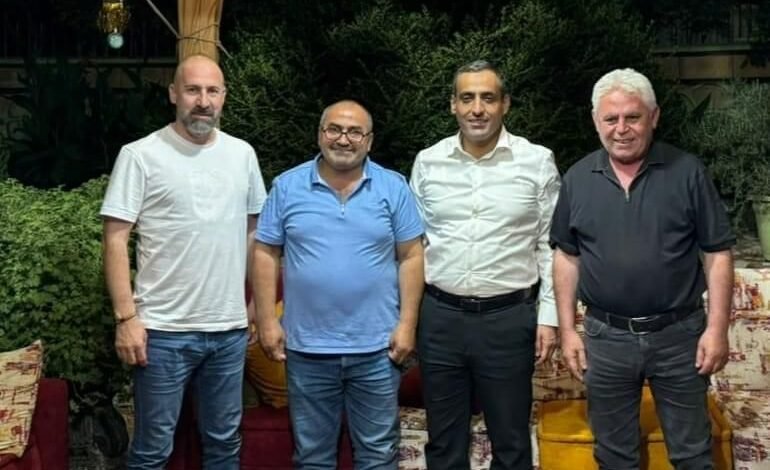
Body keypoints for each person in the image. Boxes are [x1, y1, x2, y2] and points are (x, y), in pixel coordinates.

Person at [550, 68, 735, 469]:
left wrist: (717, 328)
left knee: (693, 456)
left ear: (654, 117)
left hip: (680, 337)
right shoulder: (578, 178)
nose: (621, 129)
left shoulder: (688, 172)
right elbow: (566, 257)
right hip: (606, 339)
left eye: (632, 117)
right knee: (614, 457)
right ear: (596, 121)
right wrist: (567, 330)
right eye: (610, 119)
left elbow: (717, 253)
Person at [101, 54, 267, 469]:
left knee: (224, 444)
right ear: (174, 94)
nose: (203, 101)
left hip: (228, 331)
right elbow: (115, 239)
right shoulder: (140, 155)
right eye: (193, 90)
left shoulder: (242, 154)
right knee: (153, 449)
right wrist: (126, 318)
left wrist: (256, 307)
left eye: (212, 91)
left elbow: (254, 233)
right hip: (162, 331)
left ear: (224, 96)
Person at [251, 100, 424, 469]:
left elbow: (411, 256)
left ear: (369, 141)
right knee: (313, 457)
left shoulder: (393, 187)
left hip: (378, 349)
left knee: (377, 456)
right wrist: (266, 321)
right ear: (320, 134)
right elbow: (265, 252)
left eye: (355, 132)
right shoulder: (287, 186)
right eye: (334, 129)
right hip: (307, 349)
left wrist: (408, 324)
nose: (343, 139)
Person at [409, 60, 560, 470]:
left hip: (508, 320)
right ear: (453, 105)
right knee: (444, 445)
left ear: (504, 104)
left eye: (488, 98)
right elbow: (413, 246)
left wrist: (549, 317)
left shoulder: (537, 161)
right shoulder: (428, 162)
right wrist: (408, 318)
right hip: (440, 319)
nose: (477, 109)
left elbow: (550, 246)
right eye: (467, 98)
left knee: (511, 445)